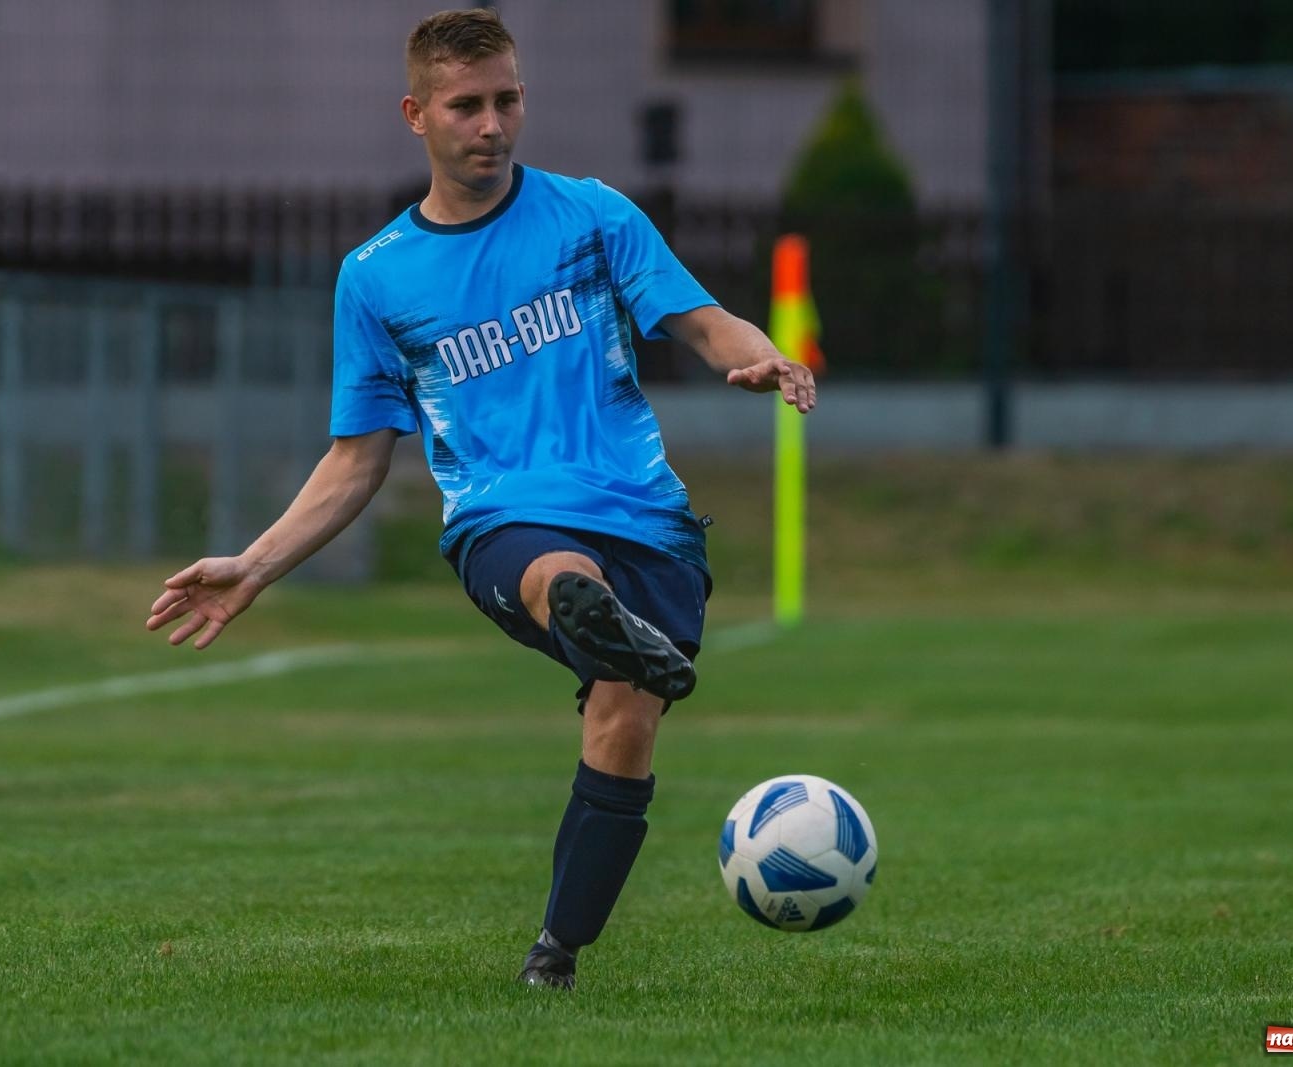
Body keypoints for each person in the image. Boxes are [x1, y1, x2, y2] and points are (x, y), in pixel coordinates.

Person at [144, 8, 815, 991]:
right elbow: (354, 460)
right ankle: (592, 614)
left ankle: (558, 951)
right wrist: (254, 562)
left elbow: (702, 320)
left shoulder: (593, 216)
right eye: (465, 106)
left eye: (506, 100)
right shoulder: (377, 279)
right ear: (416, 113)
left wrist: (757, 356)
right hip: (504, 520)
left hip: (651, 520)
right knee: (559, 573)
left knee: (623, 720)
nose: (490, 124)